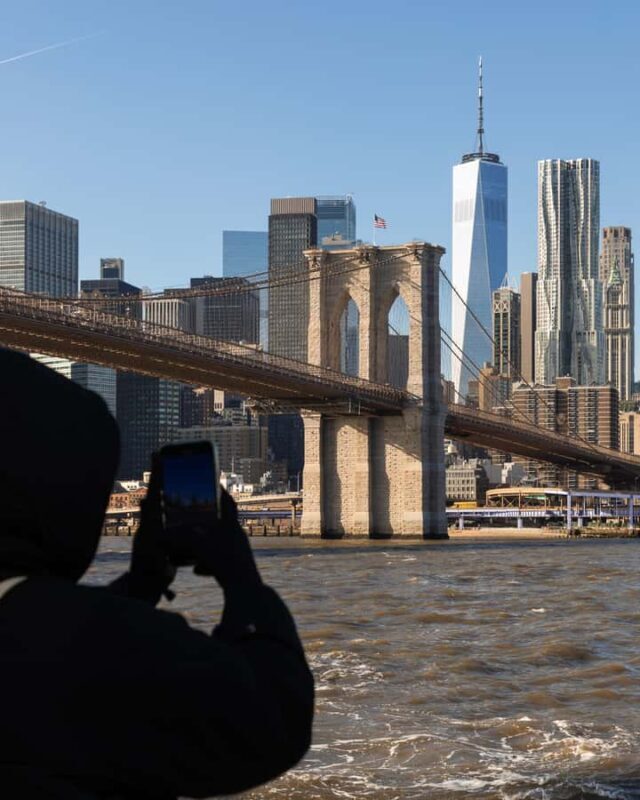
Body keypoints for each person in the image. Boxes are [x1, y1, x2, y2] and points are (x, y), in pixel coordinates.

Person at [0, 349, 314, 799]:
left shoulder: (62, 640)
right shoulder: (97, 649)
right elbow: (271, 720)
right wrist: (239, 575)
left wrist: (141, 584)